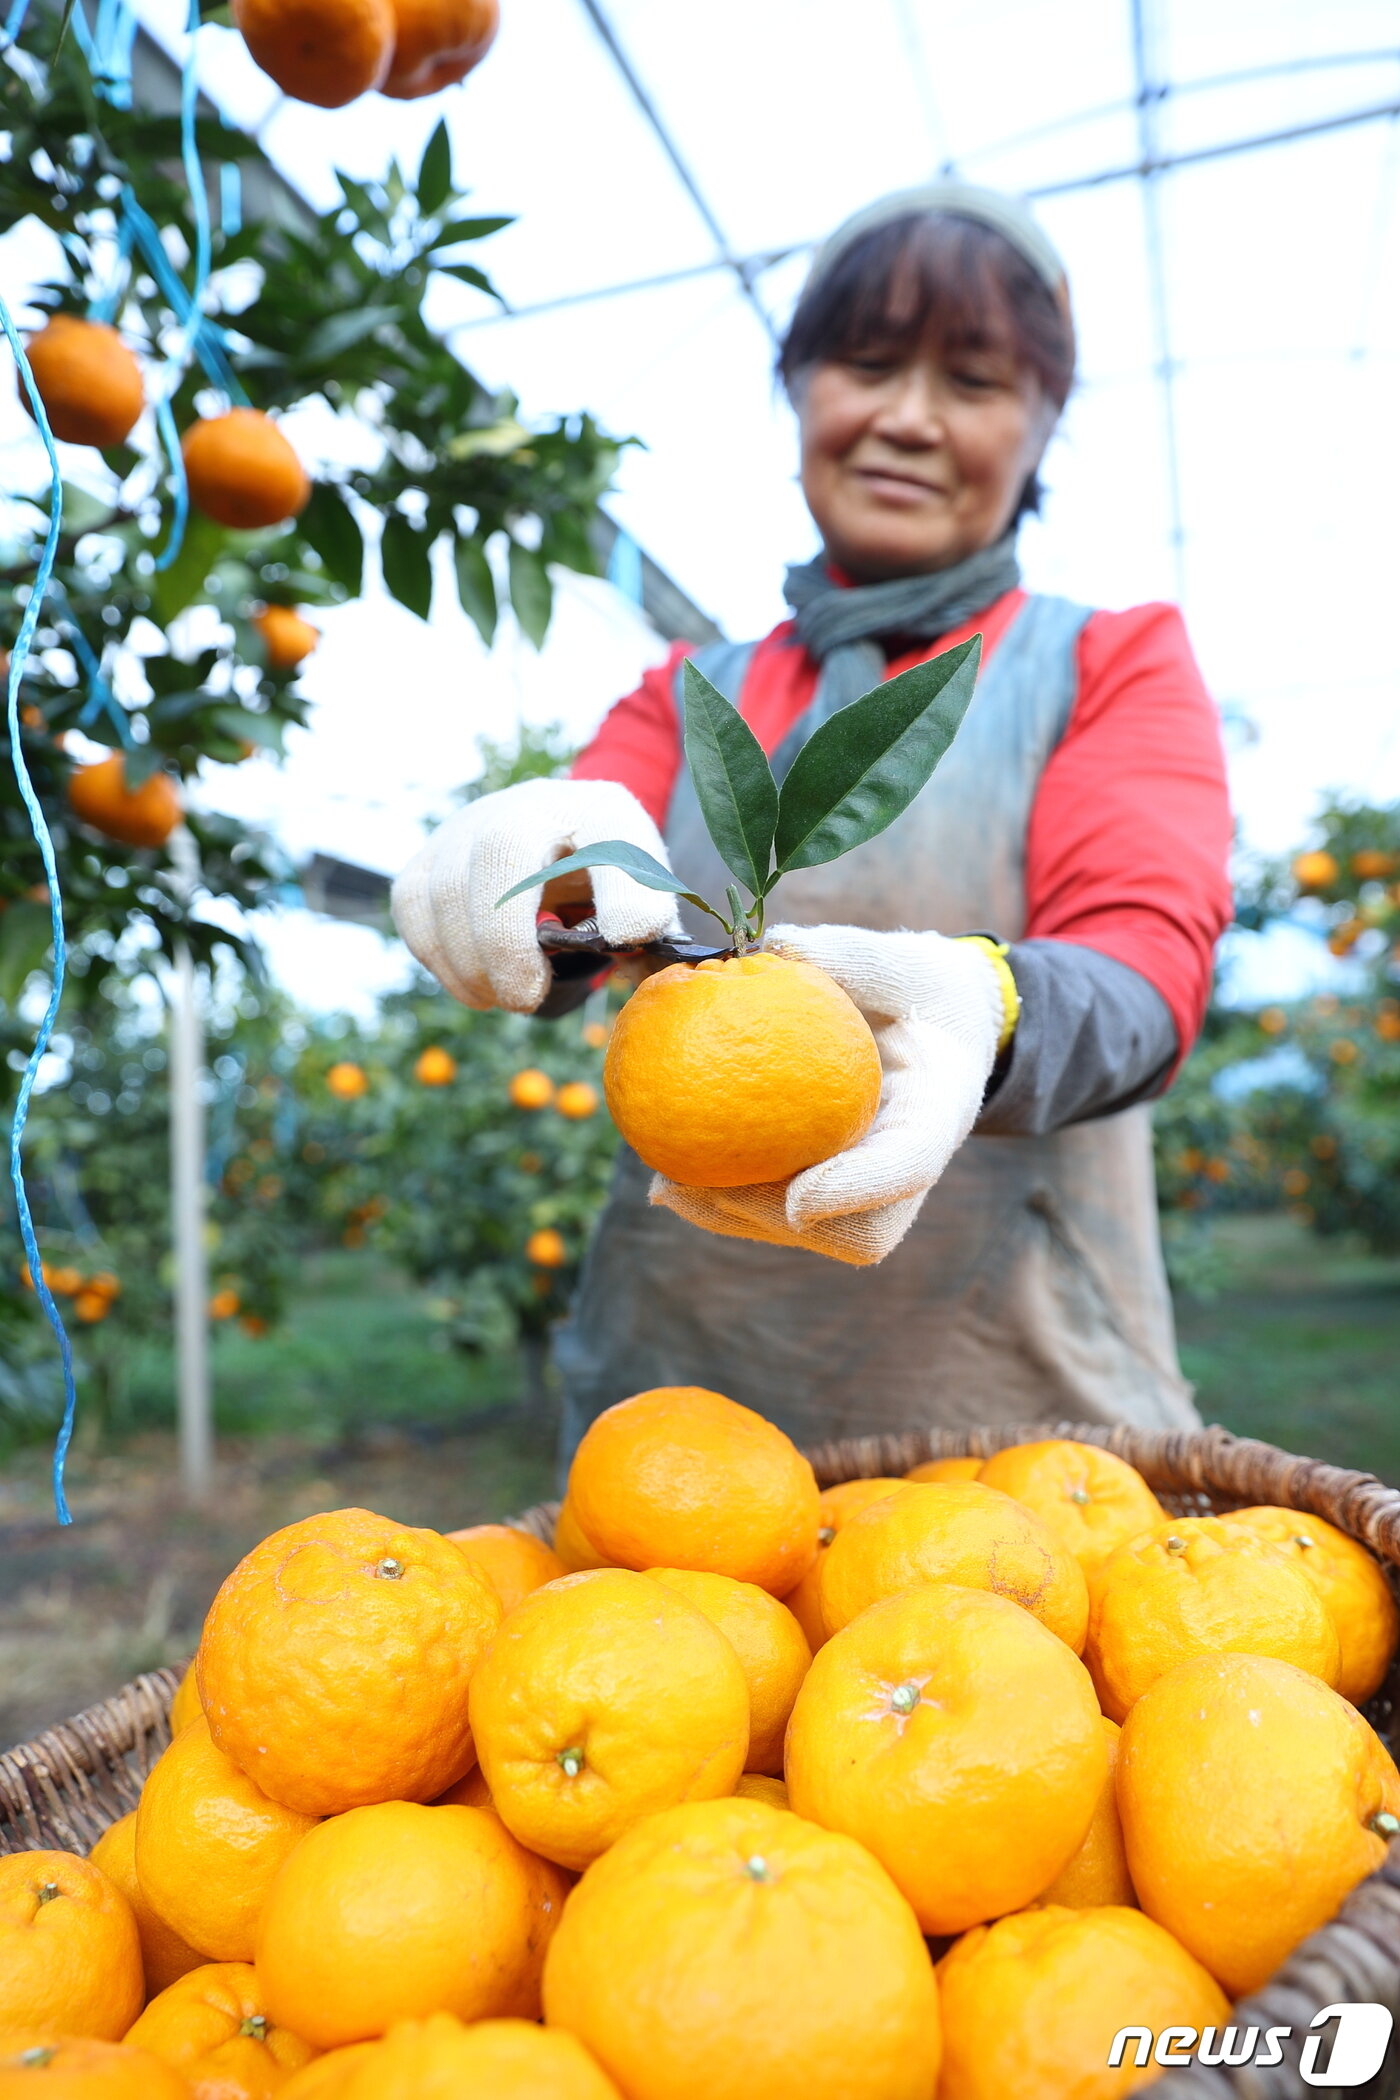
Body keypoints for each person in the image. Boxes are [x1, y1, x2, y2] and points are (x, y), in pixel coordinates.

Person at [393, 182, 1233, 1460]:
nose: (907, 417)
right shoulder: (688, 695)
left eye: (972, 380)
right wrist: (522, 884)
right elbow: (573, 917)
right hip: (681, 1415)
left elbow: (1144, 970)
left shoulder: (1106, 664)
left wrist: (991, 1006)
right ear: (796, 390)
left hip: (1011, 1403)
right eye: (866, 363)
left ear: (1040, 423)